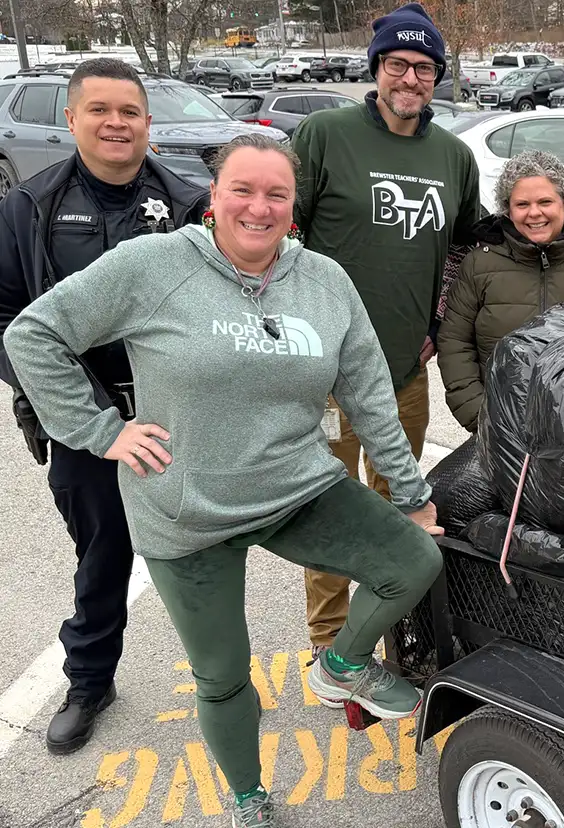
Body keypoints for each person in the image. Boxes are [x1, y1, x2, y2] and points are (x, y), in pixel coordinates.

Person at [3, 134, 445, 825]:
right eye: (243, 189)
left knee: (414, 559)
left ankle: (341, 667)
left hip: (296, 486)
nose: (258, 207)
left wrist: (412, 495)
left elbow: (367, 396)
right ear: (214, 197)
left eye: (276, 193)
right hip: (187, 511)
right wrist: (100, 432)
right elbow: (33, 334)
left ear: (293, 206)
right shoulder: (153, 265)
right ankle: (249, 799)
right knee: (225, 677)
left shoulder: (324, 281)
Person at [0, 58, 208, 755]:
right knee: (102, 559)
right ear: (72, 119)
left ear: (148, 121)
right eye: (100, 111)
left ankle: (223, 678)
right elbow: (6, 318)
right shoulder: (31, 207)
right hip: (88, 429)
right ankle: (90, 681)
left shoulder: (188, 202)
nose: (116, 123)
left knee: (208, 552)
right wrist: (52, 403)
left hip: (183, 417)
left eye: (130, 111)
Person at [291, 2, 481, 662]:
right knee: (329, 510)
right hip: (325, 377)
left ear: (437, 77)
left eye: (424, 67)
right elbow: (281, 233)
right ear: (376, 68)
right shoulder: (323, 135)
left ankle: (382, 630)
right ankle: (327, 641)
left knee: (396, 509)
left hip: (403, 371)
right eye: (397, 64)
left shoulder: (454, 156)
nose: (410, 77)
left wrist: (436, 317)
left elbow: (462, 248)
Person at [439, 150, 564, 431]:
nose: (534, 213)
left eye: (545, 201)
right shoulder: (480, 263)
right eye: (522, 204)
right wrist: (479, 415)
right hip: (499, 426)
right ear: (507, 210)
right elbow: (455, 342)